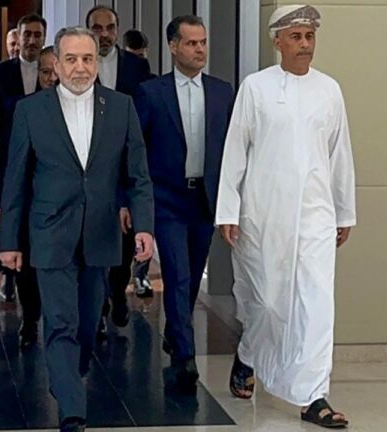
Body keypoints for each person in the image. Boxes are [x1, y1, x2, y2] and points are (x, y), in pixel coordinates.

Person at [0, 26, 154, 432]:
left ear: (97, 63)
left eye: (87, 59)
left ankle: (70, 373)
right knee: (61, 322)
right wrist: (9, 241)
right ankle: (72, 409)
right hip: (50, 232)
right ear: (56, 64)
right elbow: (15, 180)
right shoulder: (31, 110)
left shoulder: (120, 107)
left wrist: (144, 226)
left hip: (101, 234)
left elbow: (138, 175)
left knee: (86, 325)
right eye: (71, 59)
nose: (80, 67)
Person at [216, 5, 355, 429]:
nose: (305, 44)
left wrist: (344, 210)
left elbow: (340, 154)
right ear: (277, 41)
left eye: (310, 36)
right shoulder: (256, 88)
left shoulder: (329, 90)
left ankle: (314, 396)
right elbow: (235, 151)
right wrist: (228, 209)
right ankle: (248, 354)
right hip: (263, 215)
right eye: (296, 36)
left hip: (315, 216)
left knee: (317, 304)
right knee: (266, 303)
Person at [134, 15, 234, 388]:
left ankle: (176, 332)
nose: (200, 49)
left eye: (203, 42)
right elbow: (137, 150)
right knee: (176, 273)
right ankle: (185, 356)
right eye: (191, 43)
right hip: (167, 198)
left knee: (190, 274)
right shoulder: (151, 93)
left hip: (204, 198)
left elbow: (232, 149)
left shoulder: (222, 92)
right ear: (173, 46)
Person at [85, 4, 154, 337]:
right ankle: (98, 308)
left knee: (124, 244)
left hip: (125, 164)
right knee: (94, 240)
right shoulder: (81, 63)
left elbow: (144, 121)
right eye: (97, 28)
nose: (104, 34)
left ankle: (117, 290)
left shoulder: (137, 67)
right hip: (89, 166)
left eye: (109, 28)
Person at [0, 14, 46, 348]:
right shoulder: (0, 74)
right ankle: (30, 316)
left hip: (48, 175)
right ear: (17, 38)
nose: (32, 40)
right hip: (14, 170)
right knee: (20, 246)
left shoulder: (54, 71)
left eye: (38, 35)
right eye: (27, 35)